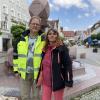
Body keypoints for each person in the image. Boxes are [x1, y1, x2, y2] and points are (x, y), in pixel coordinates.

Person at [13, 16, 46, 100]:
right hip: (24, 74)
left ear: (40, 26)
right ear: (29, 25)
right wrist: (16, 70)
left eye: (37, 24)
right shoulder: (21, 38)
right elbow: (15, 55)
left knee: (36, 97)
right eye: (33, 24)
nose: (35, 26)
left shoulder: (44, 40)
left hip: (37, 74)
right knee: (25, 97)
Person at [37, 28, 73, 100]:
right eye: (50, 34)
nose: (52, 35)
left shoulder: (62, 49)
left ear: (57, 36)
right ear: (47, 36)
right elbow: (42, 65)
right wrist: (39, 78)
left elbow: (68, 65)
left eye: (54, 34)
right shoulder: (45, 49)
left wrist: (69, 81)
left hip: (58, 81)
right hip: (46, 82)